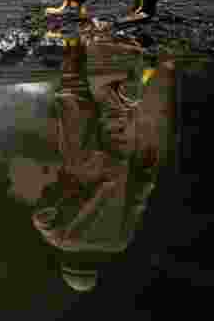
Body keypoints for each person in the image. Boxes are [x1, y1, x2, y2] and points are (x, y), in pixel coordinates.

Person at [32, 35, 161, 293]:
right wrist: (62, 192)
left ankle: (125, 92)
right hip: (81, 165)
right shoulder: (62, 240)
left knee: (118, 115)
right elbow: (41, 216)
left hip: (118, 167)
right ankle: (75, 40)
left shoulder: (119, 242)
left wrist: (146, 175)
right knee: (72, 98)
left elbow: (137, 201)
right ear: (69, 265)